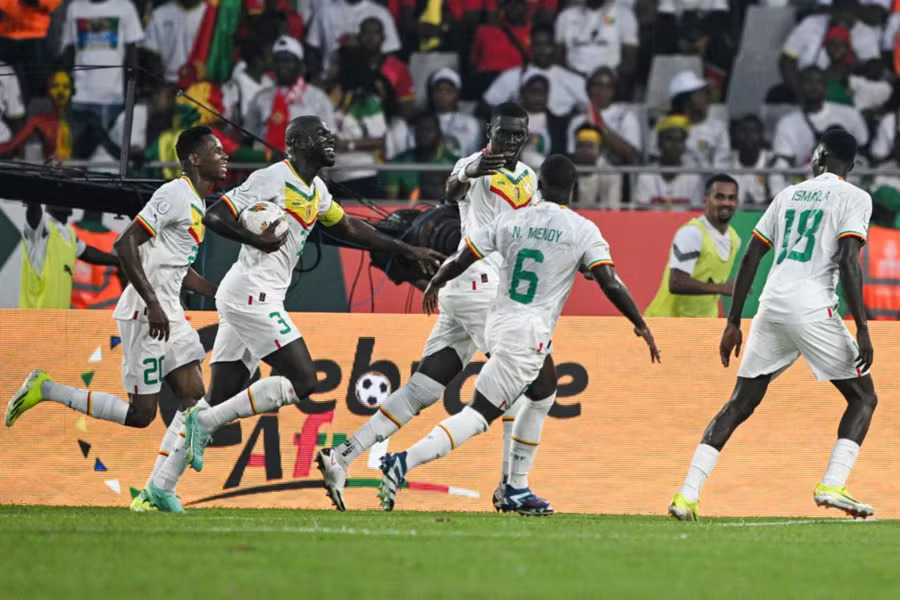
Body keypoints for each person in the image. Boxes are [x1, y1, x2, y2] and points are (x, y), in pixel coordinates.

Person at [377, 154, 661, 513]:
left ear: (538, 186)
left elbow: (463, 256)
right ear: (573, 189)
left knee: (544, 389)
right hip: (527, 331)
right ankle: (403, 461)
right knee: (479, 415)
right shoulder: (582, 229)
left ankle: (516, 487)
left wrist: (436, 280)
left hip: (497, 320)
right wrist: (639, 322)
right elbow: (609, 282)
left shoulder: (511, 219)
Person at [180, 116, 443, 477]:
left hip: (257, 294)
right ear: (298, 143)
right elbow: (214, 215)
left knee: (220, 396)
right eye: (321, 134)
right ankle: (206, 423)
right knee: (304, 381)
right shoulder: (271, 178)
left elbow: (350, 226)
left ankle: (160, 485)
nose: (331, 138)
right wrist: (258, 239)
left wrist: (407, 250)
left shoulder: (316, 189)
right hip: (251, 293)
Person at [316, 102, 543, 514]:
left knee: (423, 389)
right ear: (489, 129)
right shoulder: (473, 165)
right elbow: (451, 189)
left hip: (472, 289)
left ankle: (342, 455)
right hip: (479, 287)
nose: (510, 141)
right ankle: (512, 487)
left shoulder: (528, 177)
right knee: (523, 382)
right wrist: (471, 171)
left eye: (518, 134)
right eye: (504, 132)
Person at [6, 126, 228, 513]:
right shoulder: (174, 194)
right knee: (141, 414)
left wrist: (219, 293)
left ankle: (158, 489)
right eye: (217, 150)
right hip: (146, 313)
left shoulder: (196, 204)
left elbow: (178, 269)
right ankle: (46, 388)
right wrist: (153, 303)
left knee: (193, 395)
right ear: (195, 159)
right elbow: (124, 244)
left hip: (168, 309)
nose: (225, 156)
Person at [669, 127, 879, 521]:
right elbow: (849, 260)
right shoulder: (855, 197)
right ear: (849, 164)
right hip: (813, 308)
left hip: (771, 307)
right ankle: (833, 483)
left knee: (739, 403)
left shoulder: (788, 195)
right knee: (864, 397)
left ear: (819, 157)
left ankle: (686, 494)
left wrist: (733, 321)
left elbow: (751, 257)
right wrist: (863, 328)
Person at [645, 174, 740, 318]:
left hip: (704, 324)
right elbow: (676, 283)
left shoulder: (734, 239)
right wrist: (722, 288)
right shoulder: (692, 234)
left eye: (731, 198)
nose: (726, 203)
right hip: (667, 322)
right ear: (706, 199)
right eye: (719, 197)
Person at [59, 0, 144, 130]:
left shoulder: (125, 7)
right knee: (79, 148)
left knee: (109, 148)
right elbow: (68, 52)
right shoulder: (75, 7)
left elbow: (132, 55)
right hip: (80, 97)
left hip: (113, 97)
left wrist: (131, 92)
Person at [18, 204, 120, 309]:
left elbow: (87, 253)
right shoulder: (42, 227)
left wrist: (119, 260)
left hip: (58, 320)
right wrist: (33, 201)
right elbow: (33, 214)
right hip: (35, 318)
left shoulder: (69, 232)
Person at [245, 36, 336, 146]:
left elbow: (331, 138)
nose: (282, 66)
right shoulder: (260, 98)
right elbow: (248, 137)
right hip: (268, 160)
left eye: (288, 61)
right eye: (278, 61)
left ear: (300, 65)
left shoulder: (318, 98)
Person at [483, 25, 589, 119]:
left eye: (547, 45)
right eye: (538, 45)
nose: (542, 50)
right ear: (530, 48)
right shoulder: (512, 77)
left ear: (554, 47)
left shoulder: (573, 80)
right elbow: (487, 105)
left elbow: (591, 110)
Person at [633, 116, 704, 208]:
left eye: (679, 140)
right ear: (659, 143)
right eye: (669, 139)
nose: (674, 145)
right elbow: (641, 215)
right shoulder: (646, 175)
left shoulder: (693, 177)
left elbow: (696, 215)